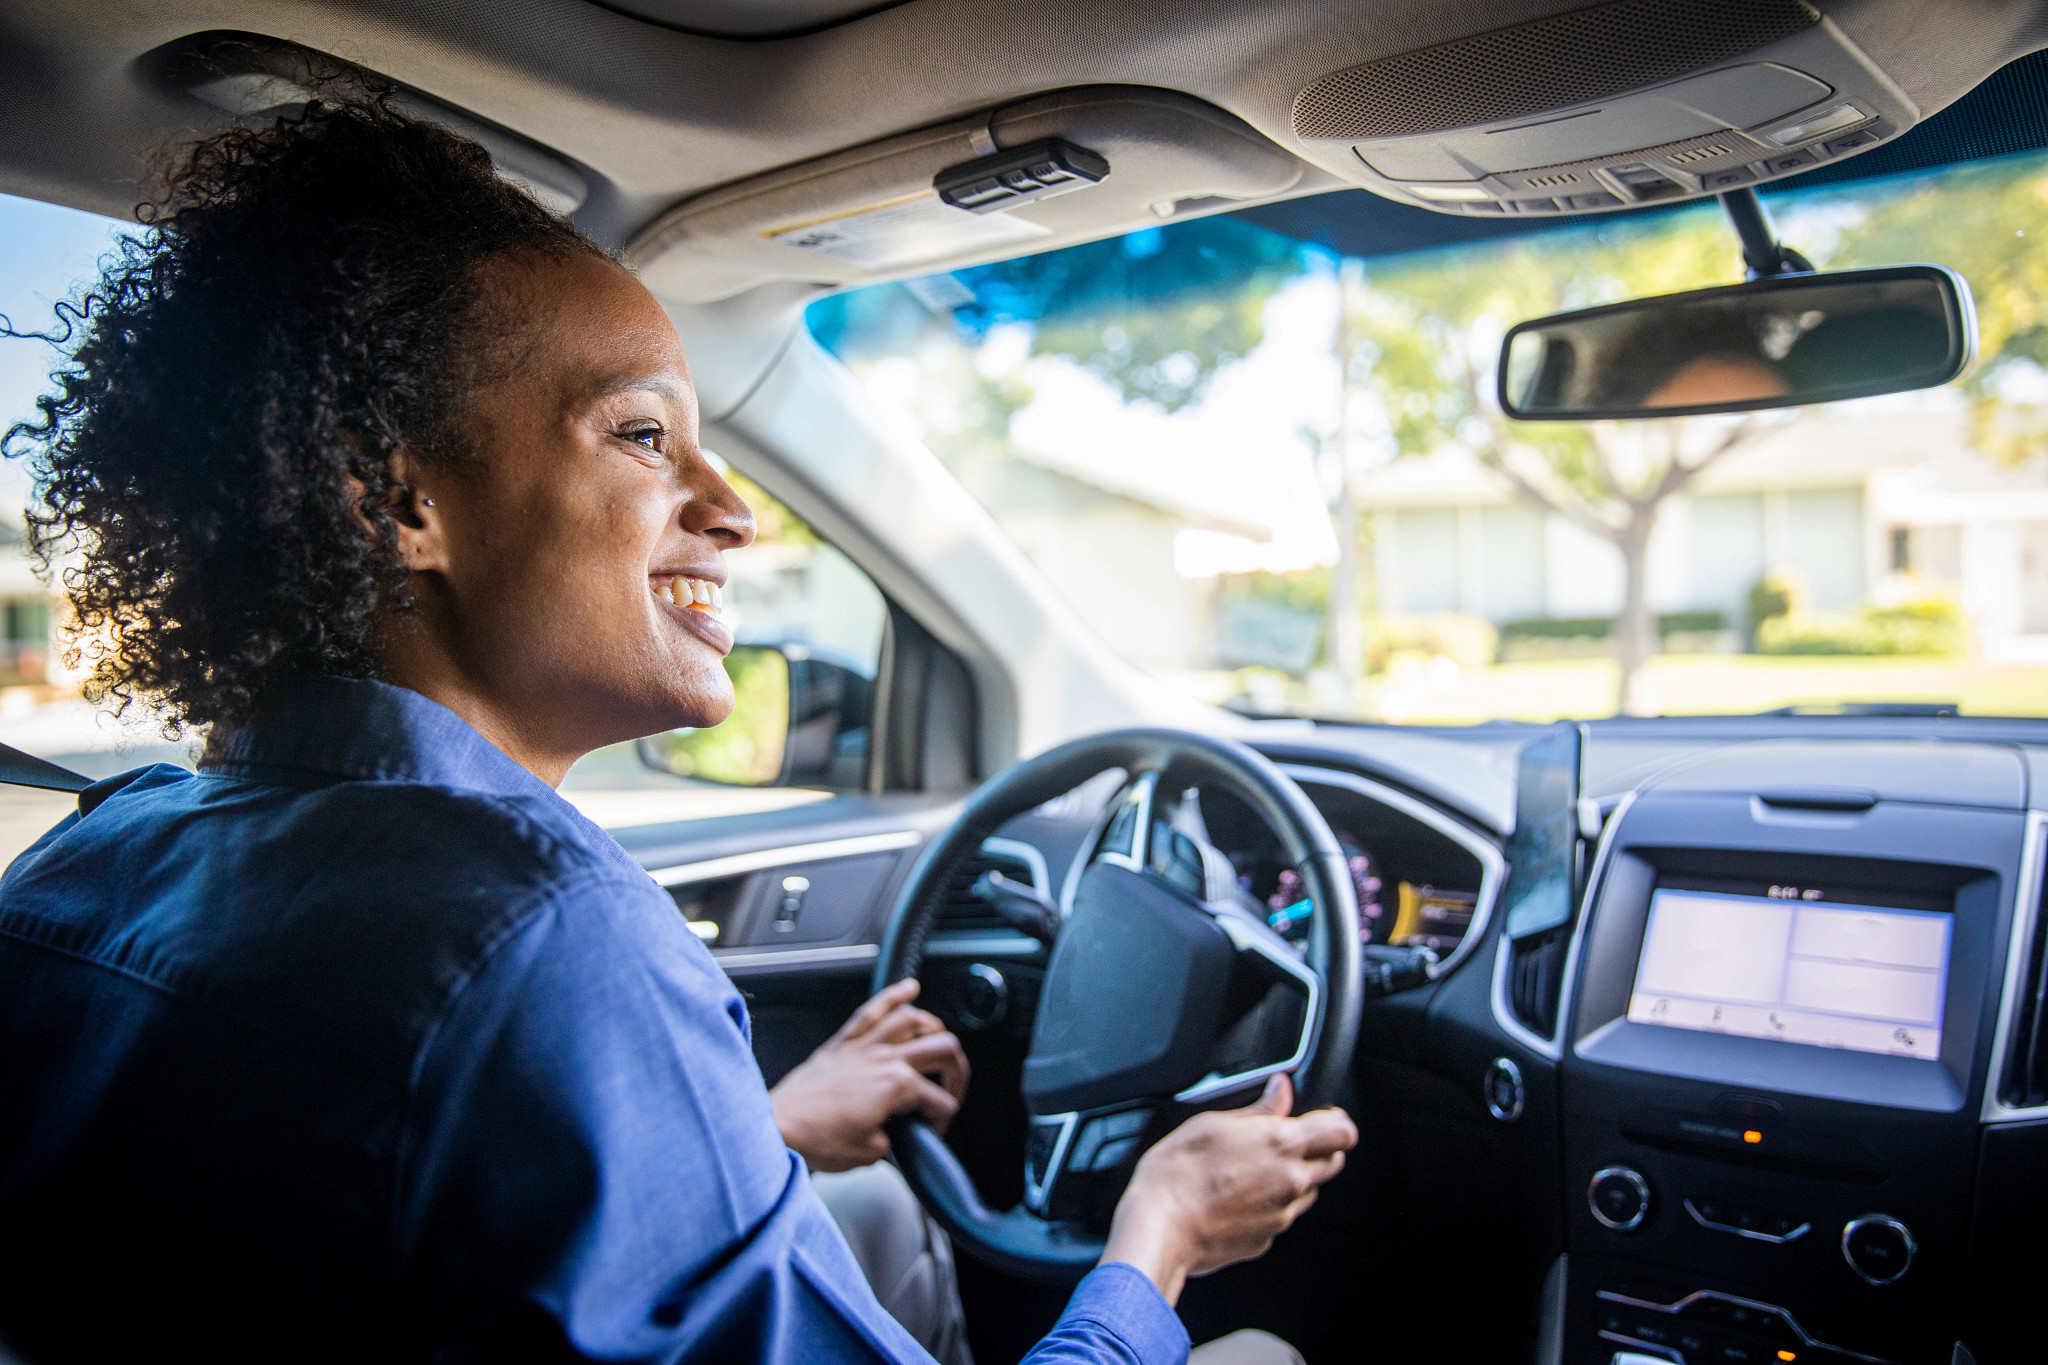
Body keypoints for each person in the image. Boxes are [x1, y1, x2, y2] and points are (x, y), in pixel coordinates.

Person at [0, 86, 1357, 1364]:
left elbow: (351, 1222)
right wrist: (1158, 1238)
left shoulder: (75, 873)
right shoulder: (543, 938)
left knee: (874, 1208)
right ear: (400, 503)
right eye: (645, 437)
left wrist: (744, 1132)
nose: (736, 506)